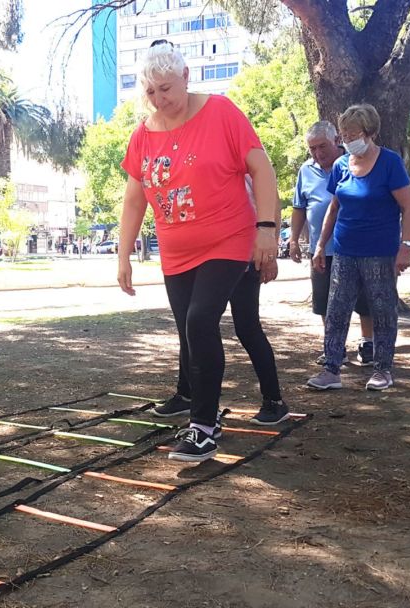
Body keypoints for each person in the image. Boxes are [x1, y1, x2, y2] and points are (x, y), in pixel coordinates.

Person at [117, 41, 286, 463]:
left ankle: (203, 428)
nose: (159, 99)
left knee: (201, 320)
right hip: (176, 250)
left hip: (228, 239)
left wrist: (267, 230)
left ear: (186, 77)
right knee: (189, 334)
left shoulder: (222, 112)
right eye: (150, 92)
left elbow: (261, 168)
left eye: (166, 89)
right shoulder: (143, 133)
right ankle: (199, 413)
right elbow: (135, 199)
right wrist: (123, 255)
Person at [306, 104, 410, 392]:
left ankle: (382, 369)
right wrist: (320, 245)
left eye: (352, 134)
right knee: (336, 309)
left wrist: (406, 246)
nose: (347, 139)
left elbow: (408, 206)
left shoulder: (389, 163)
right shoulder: (342, 165)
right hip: (344, 250)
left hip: (380, 251)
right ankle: (331, 369)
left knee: (382, 310)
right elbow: (334, 207)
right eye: (343, 134)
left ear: (370, 133)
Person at [289, 121, 375, 366]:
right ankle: (334, 345)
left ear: (336, 140)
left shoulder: (354, 163)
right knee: (324, 300)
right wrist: (294, 240)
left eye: (322, 146)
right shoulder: (305, 171)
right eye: (312, 148)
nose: (318, 153)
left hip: (354, 246)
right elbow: (299, 207)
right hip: (320, 249)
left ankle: (367, 342)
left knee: (363, 298)